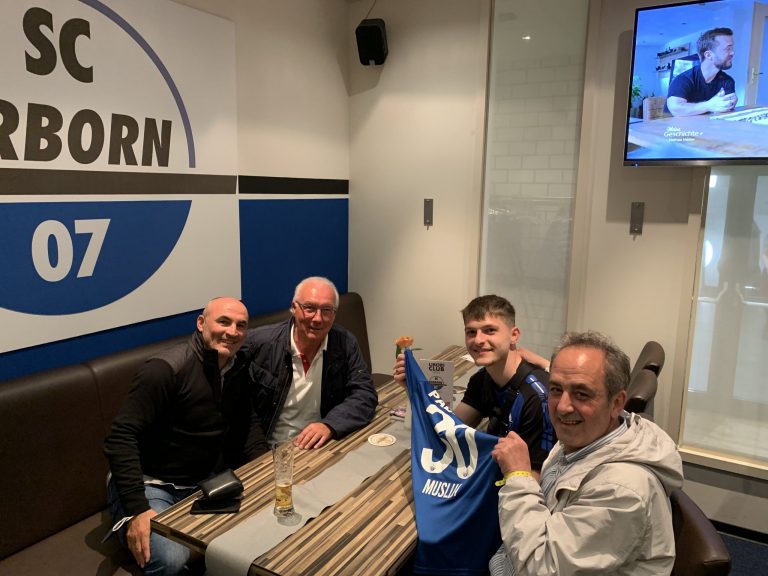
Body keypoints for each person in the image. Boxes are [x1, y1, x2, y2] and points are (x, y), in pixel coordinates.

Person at [489, 331, 684, 576]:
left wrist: (518, 476)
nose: (563, 407)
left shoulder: (621, 490)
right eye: (556, 389)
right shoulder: (586, 435)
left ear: (617, 403)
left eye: (582, 394)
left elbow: (541, 567)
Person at [104, 297, 266, 576]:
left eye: (241, 325)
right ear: (201, 323)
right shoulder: (165, 369)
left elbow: (247, 425)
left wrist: (269, 471)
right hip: (150, 483)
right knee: (170, 558)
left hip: (204, 482)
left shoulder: (237, 367)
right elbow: (120, 437)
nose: (232, 331)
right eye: (224, 321)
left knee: (264, 524)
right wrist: (137, 509)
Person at [394, 295, 555, 478]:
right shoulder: (481, 379)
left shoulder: (538, 398)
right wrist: (413, 389)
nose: (478, 340)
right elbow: (449, 430)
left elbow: (537, 476)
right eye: (471, 332)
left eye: (489, 330)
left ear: (514, 335)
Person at [245, 276, 377, 450]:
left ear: (334, 314)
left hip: (320, 445)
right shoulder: (259, 344)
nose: (317, 318)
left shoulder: (345, 343)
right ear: (294, 308)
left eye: (326, 310)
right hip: (273, 449)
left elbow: (365, 393)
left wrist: (330, 424)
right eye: (310, 308)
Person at [667, 27, 737, 117]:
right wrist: (709, 105)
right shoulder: (683, 79)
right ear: (708, 55)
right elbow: (676, 109)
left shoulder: (727, 80)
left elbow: (726, 106)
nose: (732, 52)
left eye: (732, 48)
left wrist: (730, 103)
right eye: (728, 48)